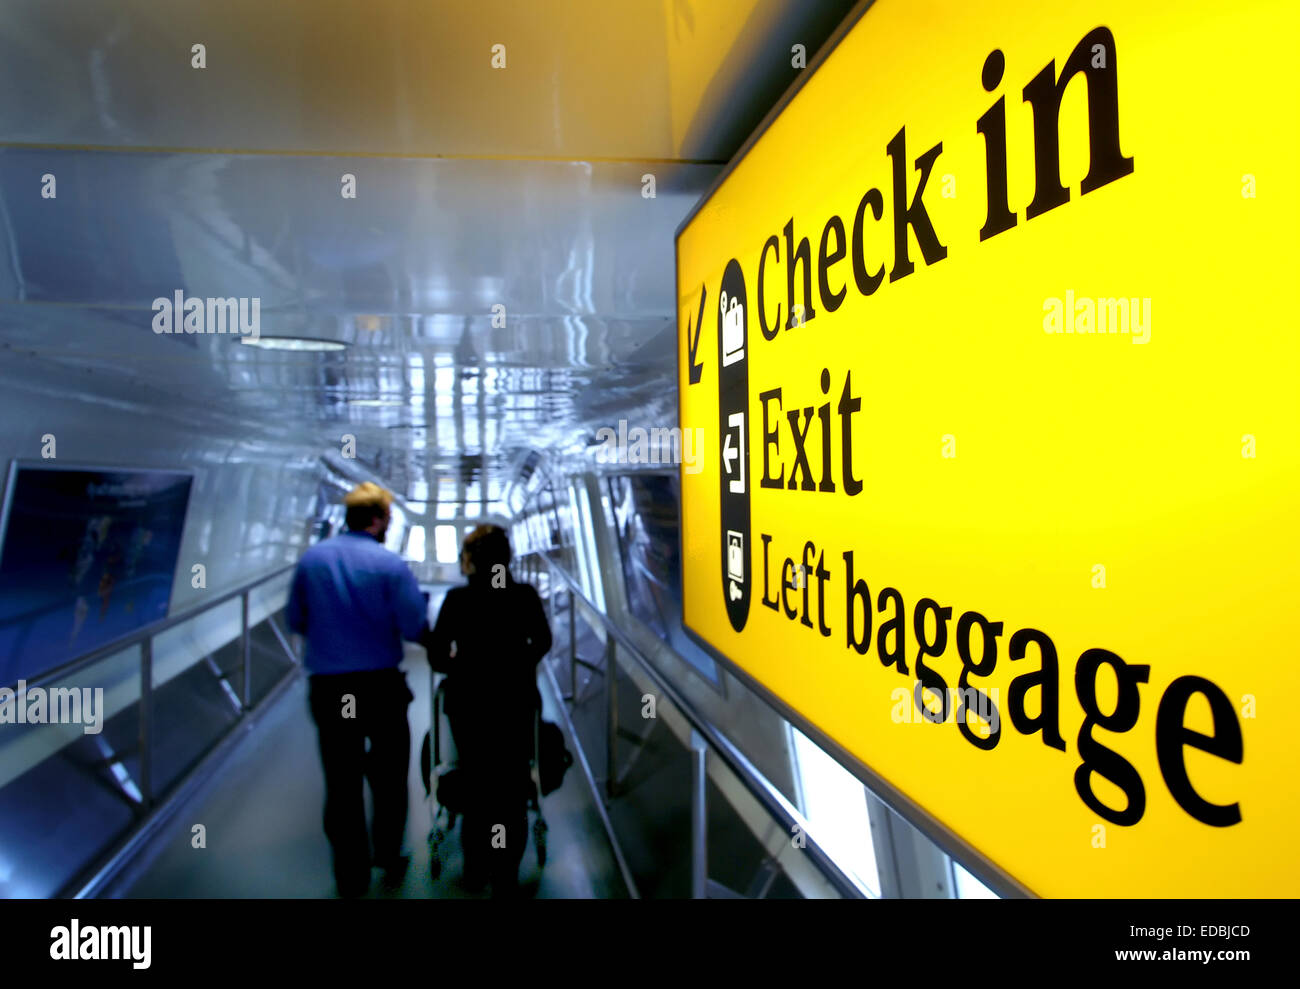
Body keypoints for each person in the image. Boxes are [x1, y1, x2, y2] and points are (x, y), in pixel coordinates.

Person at [286, 481, 426, 897]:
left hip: (332, 691)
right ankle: (387, 852)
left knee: (342, 780)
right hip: (380, 689)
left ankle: (350, 875)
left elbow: (296, 620)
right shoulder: (389, 565)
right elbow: (414, 624)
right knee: (388, 777)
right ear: (380, 518)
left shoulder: (312, 561)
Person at [422, 524, 551, 896]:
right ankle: (505, 870)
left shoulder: (458, 600)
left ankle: (477, 867)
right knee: (510, 784)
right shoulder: (524, 595)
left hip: (469, 703)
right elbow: (542, 640)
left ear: (471, 559)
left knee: (479, 782)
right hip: (515, 700)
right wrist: (517, 665)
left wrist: (461, 667)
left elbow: (437, 654)